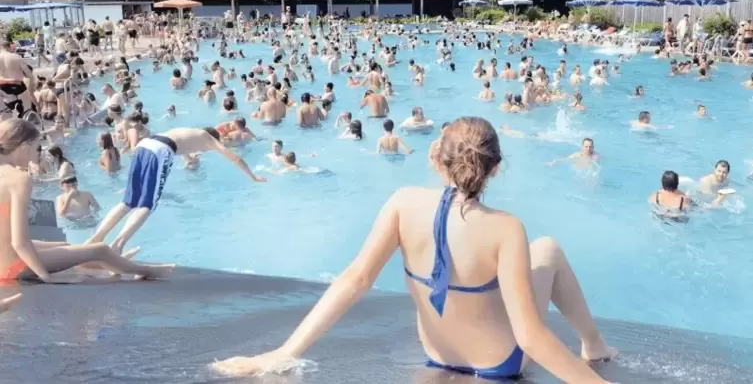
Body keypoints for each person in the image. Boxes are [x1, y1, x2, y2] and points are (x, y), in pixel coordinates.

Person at [212, 117, 616, 382]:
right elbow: (530, 336)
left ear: (437, 159)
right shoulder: (507, 228)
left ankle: (594, 344)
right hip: (497, 363)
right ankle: (593, 345)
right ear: (495, 168)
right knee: (547, 249)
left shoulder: (403, 202)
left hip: (436, 353)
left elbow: (354, 280)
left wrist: (282, 353)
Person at [0, 119, 174, 281]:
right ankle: (147, 272)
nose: (35, 157)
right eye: (37, 148)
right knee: (100, 249)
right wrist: (45, 277)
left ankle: (107, 265)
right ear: (24, 146)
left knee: (64, 245)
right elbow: (20, 243)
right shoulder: (19, 179)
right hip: (12, 266)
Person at [86, 127, 266, 254]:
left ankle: (96, 239)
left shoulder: (190, 133)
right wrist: (253, 177)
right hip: (160, 150)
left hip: (145, 145)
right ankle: (118, 245)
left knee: (127, 202)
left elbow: (180, 147)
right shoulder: (210, 139)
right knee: (147, 205)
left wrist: (189, 159)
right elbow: (234, 158)